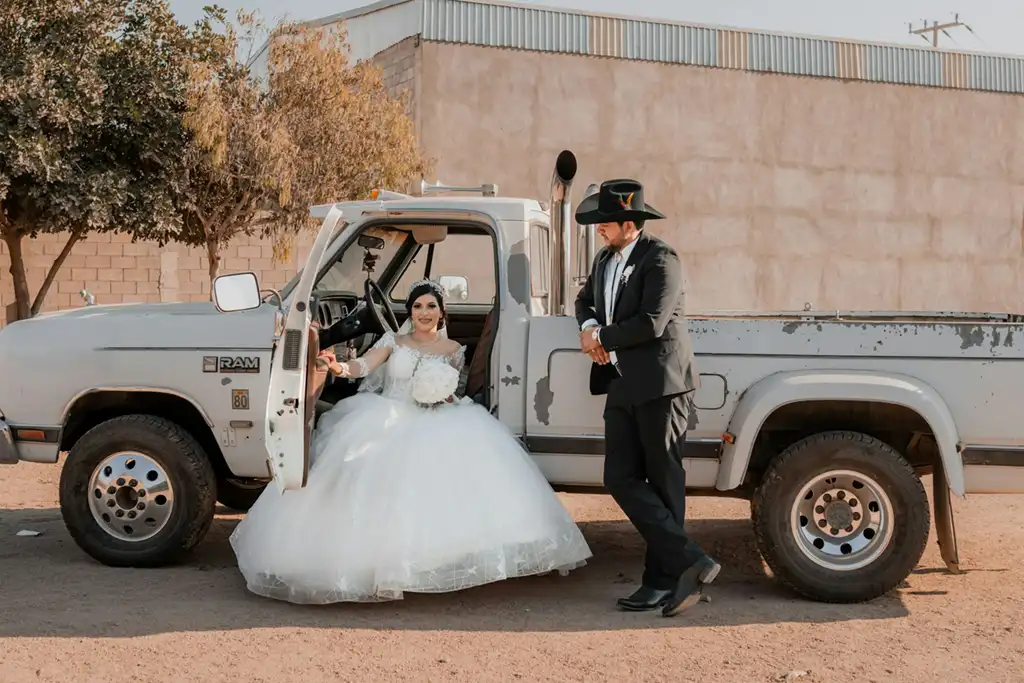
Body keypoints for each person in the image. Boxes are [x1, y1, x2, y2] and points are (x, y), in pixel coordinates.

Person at [229, 279, 592, 604]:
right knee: (359, 467)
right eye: (418, 306)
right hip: (386, 413)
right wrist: (338, 366)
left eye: (431, 305)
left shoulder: (453, 349)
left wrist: (441, 396)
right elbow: (364, 366)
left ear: (441, 311)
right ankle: (361, 559)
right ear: (410, 311)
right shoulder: (394, 341)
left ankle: (439, 559)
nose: (424, 312)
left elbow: (452, 388)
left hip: (436, 418)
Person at [573, 179, 719, 617]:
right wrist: (589, 327)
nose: (599, 228)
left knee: (664, 481)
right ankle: (691, 560)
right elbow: (584, 300)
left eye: (606, 221)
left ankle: (660, 582)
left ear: (629, 223)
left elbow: (652, 322)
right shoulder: (604, 259)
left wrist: (601, 337)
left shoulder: (661, 259)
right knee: (619, 477)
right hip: (620, 382)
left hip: (661, 385)